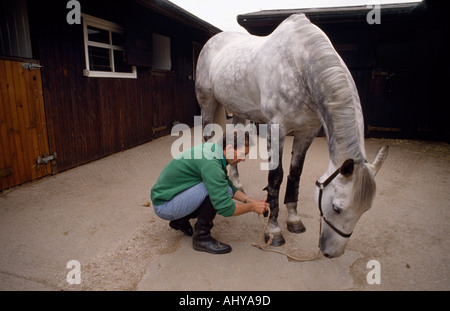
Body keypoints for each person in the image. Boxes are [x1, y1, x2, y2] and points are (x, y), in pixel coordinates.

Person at [150, 131, 269, 254]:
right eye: (241, 154)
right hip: (165, 206)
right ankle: (201, 238)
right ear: (228, 148)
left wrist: (250, 200)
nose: (243, 159)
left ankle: (180, 220)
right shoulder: (211, 163)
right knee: (214, 190)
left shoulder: (214, 150)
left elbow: (227, 184)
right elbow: (225, 208)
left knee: (222, 187)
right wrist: (252, 207)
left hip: (170, 197)